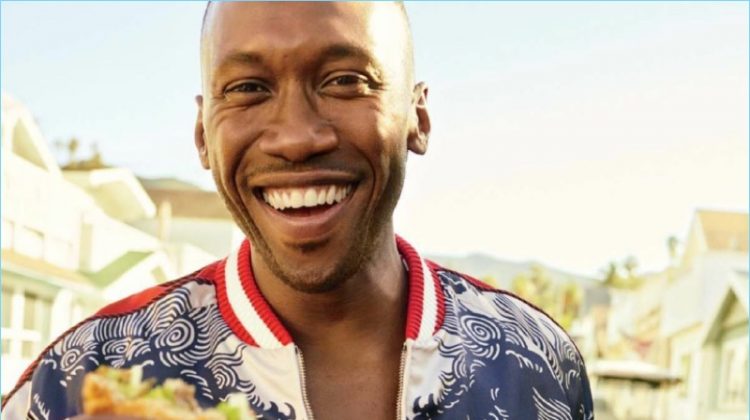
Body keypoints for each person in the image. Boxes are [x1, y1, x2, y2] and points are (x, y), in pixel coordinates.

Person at [2, 2, 594, 419]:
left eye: (344, 80)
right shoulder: (82, 379)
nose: (295, 137)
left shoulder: (534, 362)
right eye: (248, 89)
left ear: (418, 117)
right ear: (203, 135)